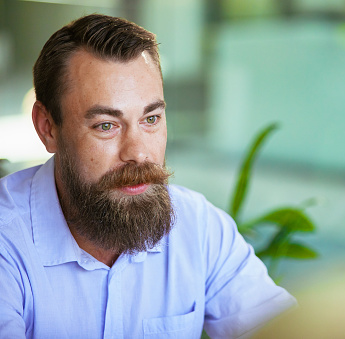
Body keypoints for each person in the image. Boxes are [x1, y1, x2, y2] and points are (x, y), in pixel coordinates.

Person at [0, 14, 295, 338]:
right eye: (106, 125)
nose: (139, 153)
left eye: (151, 119)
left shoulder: (200, 230)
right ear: (47, 128)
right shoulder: (7, 241)